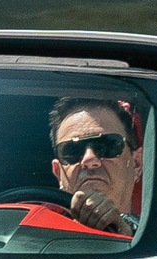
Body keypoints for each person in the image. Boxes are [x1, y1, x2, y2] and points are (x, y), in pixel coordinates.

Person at [49, 96, 146, 234]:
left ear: (136, 164)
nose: (89, 159)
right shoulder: (34, 235)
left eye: (106, 145)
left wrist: (126, 230)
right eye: (72, 150)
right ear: (58, 173)